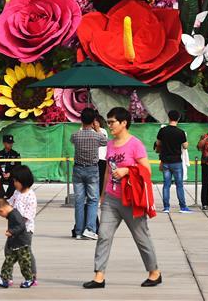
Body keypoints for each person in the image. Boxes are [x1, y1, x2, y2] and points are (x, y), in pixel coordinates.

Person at [84, 106, 161, 289]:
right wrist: (103, 195)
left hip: (131, 199)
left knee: (141, 236)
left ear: (124, 123)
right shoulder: (109, 144)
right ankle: (99, 276)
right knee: (103, 235)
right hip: (111, 198)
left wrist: (127, 170)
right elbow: (107, 173)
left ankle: (154, 272)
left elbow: (147, 171)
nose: (109, 125)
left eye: (112, 122)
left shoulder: (135, 144)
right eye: (108, 122)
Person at [70, 107, 106, 240]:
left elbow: (73, 141)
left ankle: (78, 231)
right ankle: (90, 229)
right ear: (93, 121)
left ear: (81, 120)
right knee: (93, 200)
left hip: (78, 169)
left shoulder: (75, 136)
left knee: (79, 201)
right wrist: (97, 128)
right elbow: (105, 141)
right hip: (92, 170)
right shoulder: (97, 136)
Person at [0, 197, 36, 289]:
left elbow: (21, 226)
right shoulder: (11, 214)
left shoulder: (15, 214)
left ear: (1, 210)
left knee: (24, 263)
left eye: (0, 214)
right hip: (14, 245)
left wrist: (11, 231)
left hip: (22, 244)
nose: (2, 216)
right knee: (8, 262)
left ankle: (29, 279)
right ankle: (5, 279)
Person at [155, 110, 191, 214]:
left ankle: (166, 207)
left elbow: (158, 143)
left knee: (166, 185)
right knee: (179, 185)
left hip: (165, 161)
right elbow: (185, 146)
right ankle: (183, 207)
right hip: (176, 161)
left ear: (169, 118)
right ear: (178, 118)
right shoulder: (180, 132)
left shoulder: (163, 131)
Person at [7, 165, 38, 282]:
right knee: (8, 252)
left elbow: (27, 216)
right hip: (13, 229)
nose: (14, 183)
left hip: (25, 231)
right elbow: (9, 204)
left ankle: (32, 276)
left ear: (24, 181)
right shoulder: (16, 193)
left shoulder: (31, 196)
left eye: (16, 181)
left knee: (26, 254)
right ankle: (7, 277)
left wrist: (17, 225)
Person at [0, 134, 21, 199]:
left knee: (15, 179)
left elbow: (18, 166)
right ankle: (2, 196)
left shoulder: (16, 154)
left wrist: (10, 173)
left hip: (11, 174)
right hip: (2, 174)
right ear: (4, 143)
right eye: (8, 143)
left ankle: (8, 195)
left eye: (11, 143)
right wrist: (2, 173)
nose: (10, 144)